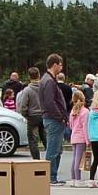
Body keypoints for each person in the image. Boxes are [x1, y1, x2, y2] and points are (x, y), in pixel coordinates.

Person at [40, 53, 68, 185]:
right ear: (55, 64)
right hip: (53, 119)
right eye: (60, 64)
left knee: (57, 149)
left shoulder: (48, 79)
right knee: (53, 149)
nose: (61, 67)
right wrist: (60, 117)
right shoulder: (49, 81)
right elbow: (50, 102)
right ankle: (50, 176)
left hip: (53, 119)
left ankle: (53, 175)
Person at [16, 67, 44, 160]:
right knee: (46, 139)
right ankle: (50, 160)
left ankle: (36, 160)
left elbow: (23, 106)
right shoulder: (44, 88)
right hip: (44, 115)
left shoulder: (27, 90)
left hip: (32, 116)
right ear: (39, 75)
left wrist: (25, 114)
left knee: (33, 140)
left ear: (29, 76)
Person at [68, 89, 89, 185]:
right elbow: (85, 127)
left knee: (74, 158)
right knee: (79, 159)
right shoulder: (85, 111)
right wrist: (88, 140)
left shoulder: (73, 111)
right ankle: (78, 179)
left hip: (74, 136)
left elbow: (71, 125)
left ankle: (73, 178)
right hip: (81, 138)